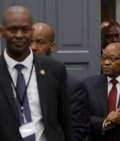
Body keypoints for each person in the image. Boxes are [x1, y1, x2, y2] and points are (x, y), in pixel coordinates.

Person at [0, 5, 72, 141]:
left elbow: (65, 120)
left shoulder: (54, 69)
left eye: (25, 29)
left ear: (31, 32)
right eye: (13, 30)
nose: (19, 35)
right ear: (2, 31)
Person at [31, 23, 89, 141]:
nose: (33, 47)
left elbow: (76, 132)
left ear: (52, 46)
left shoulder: (72, 87)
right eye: (29, 42)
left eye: (40, 42)